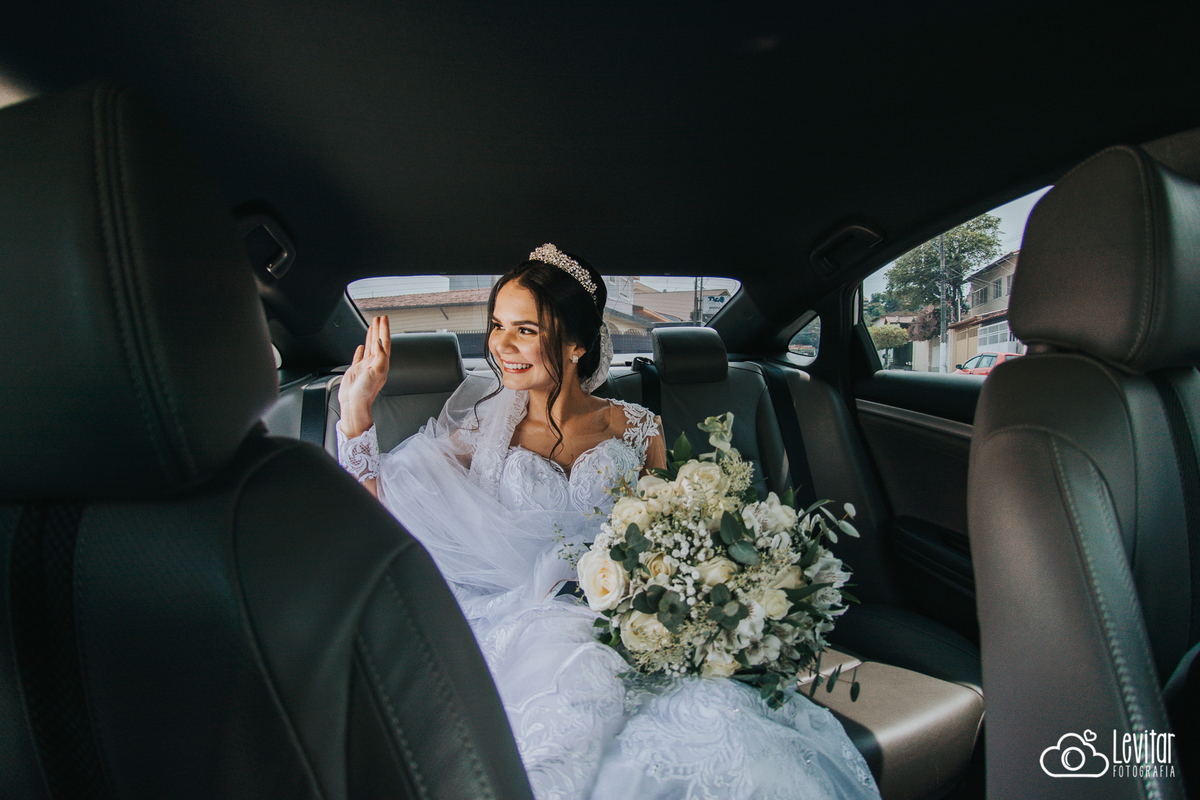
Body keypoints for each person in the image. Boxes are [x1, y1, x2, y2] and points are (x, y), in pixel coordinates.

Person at [336, 245, 880, 800]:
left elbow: (673, 530)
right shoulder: (480, 433)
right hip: (532, 622)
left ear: (576, 344)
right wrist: (357, 414)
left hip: (634, 623)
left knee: (719, 727)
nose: (501, 345)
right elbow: (379, 518)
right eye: (498, 325)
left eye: (525, 329)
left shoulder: (638, 427)